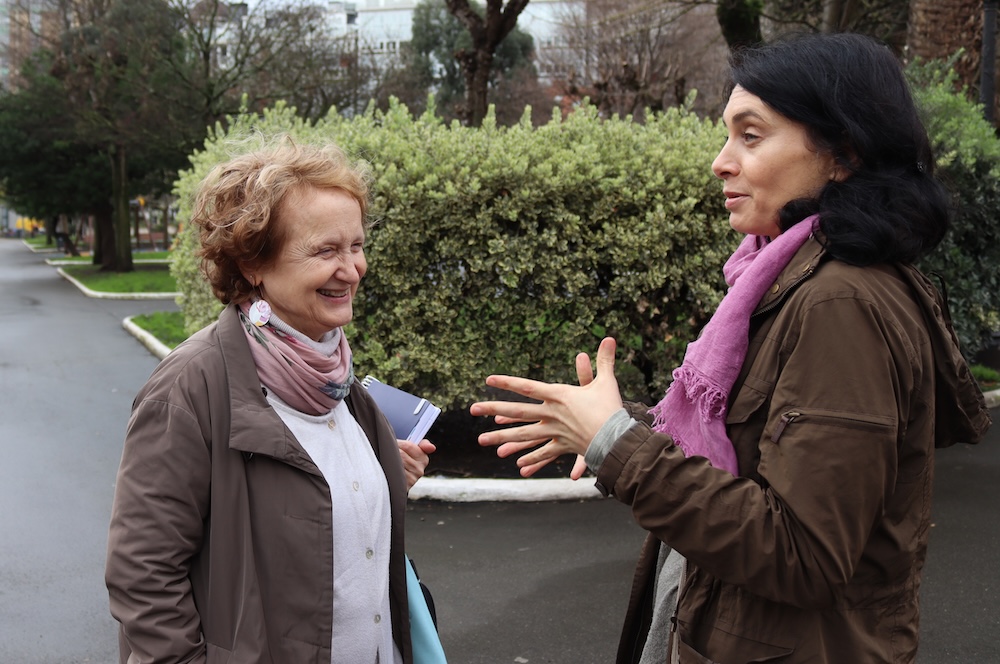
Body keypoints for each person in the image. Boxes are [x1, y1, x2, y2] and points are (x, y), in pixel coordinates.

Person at [471, 32, 992, 663]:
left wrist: (619, 447)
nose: (721, 161)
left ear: (843, 153)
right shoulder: (789, 279)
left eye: (750, 135)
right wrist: (607, 426)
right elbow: (758, 450)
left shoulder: (840, 303)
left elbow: (804, 555)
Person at [105, 138, 436, 663]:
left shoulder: (336, 374)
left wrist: (378, 477)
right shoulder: (190, 389)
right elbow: (142, 574)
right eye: (326, 250)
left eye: (356, 245)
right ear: (253, 263)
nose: (351, 269)